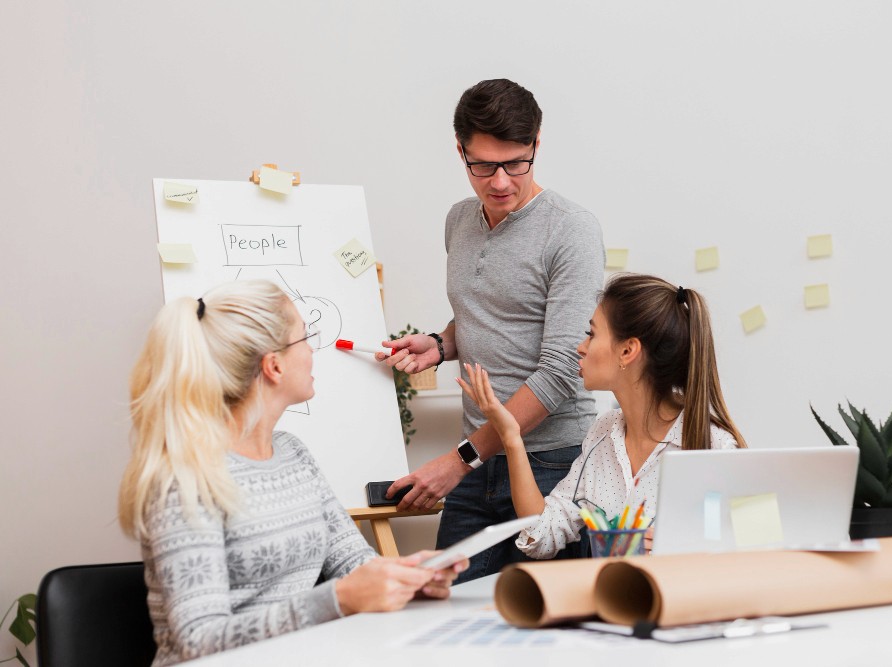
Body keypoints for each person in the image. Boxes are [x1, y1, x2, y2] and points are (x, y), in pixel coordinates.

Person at [118, 280, 465, 666]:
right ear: (274, 365)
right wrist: (338, 599)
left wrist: (410, 578)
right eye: (306, 337)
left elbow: (353, 561)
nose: (314, 349)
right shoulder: (184, 479)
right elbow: (198, 641)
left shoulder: (291, 453)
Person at [377, 78, 605, 581]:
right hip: (477, 466)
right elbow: (490, 310)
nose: (500, 182)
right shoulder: (458, 220)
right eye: (483, 166)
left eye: (516, 163)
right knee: (446, 613)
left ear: (537, 145)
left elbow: (564, 369)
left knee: (551, 623)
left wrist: (461, 459)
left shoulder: (572, 229)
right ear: (460, 151)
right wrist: (441, 344)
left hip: (551, 464)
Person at [458, 273, 748, 558]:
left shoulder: (716, 447)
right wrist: (510, 437)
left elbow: (764, 543)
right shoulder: (603, 433)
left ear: (627, 351)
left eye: (591, 334)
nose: (580, 348)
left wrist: (686, 543)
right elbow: (542, 535)